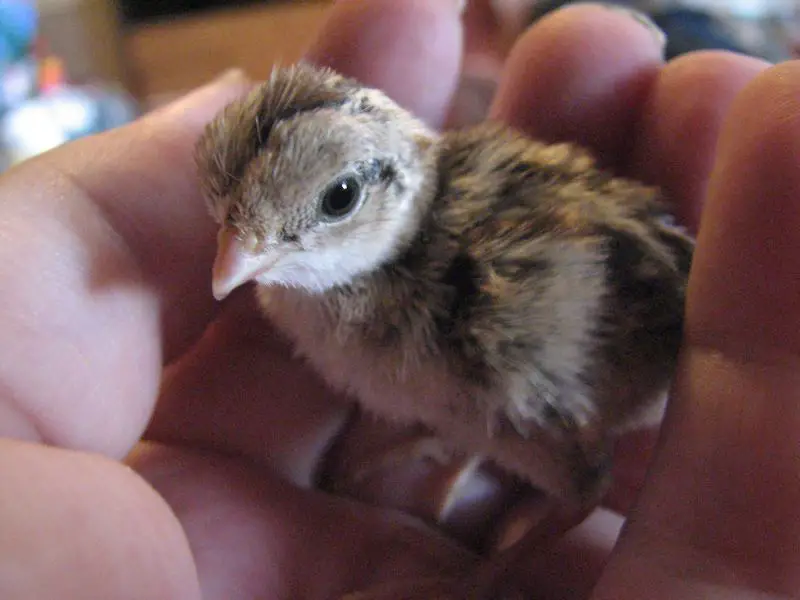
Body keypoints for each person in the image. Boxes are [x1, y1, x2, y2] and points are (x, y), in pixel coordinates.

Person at [0, 0, 794, 598]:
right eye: (228, 220)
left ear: (396, 179)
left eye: (337, 197)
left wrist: (489, 577)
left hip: (620, 353)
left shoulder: (468, 308)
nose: (239, 254)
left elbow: (578, 449)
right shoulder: (300, 285)